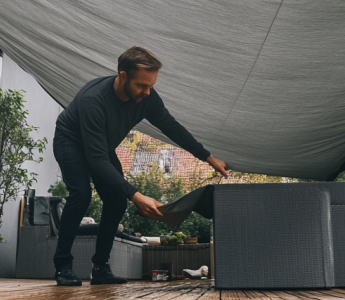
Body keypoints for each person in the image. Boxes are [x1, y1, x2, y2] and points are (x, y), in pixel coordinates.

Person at [52, 47, 229, 286]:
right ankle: (63, 266)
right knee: (81, 194)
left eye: (151, 85)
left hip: (101, 147)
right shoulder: (93, 101)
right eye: (142, 85)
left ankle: (101, 268)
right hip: (71, 141)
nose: (147, 92)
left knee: (115, 201)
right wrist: (136, 195)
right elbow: (96, 160)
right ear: (123, 76)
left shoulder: (147, 98)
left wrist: (207, 157)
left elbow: (171, 127)